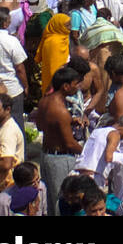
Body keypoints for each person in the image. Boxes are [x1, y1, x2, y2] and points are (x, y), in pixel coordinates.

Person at [35, 65, 84, 206]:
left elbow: (40, 126)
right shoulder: (60, 110)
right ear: (66, 86)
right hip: (60, 159)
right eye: (76, 84)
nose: (78, 87)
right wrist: (87, 152)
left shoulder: (44, 101)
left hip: (46, 156)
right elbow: (69, 143)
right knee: (62, 201)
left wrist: (68, 122)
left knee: (50, 200)